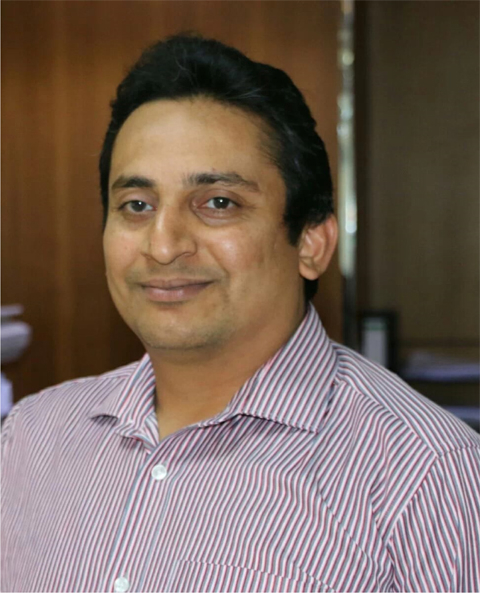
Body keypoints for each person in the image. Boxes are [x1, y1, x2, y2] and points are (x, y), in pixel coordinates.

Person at [1, 34, 479, 593]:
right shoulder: (32, 438)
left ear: (312, 242)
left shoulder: (428, 474)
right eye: (137, 205)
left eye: (218, 203)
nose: (163, 245)